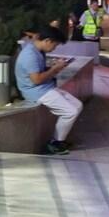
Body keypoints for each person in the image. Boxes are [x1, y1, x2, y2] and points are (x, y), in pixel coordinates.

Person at [15, 25, 83, 156]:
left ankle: (59, 140)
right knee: (70, 111)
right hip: (35, 91)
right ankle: (55, 143)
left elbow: (39, 72)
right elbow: (36, 80)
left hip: (45, 87)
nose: (54, 48)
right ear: (47, 41)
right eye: (55, 45)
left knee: (77, 105)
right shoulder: (30, 55)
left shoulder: (37, 51)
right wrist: (54, 69)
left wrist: (54, 67)